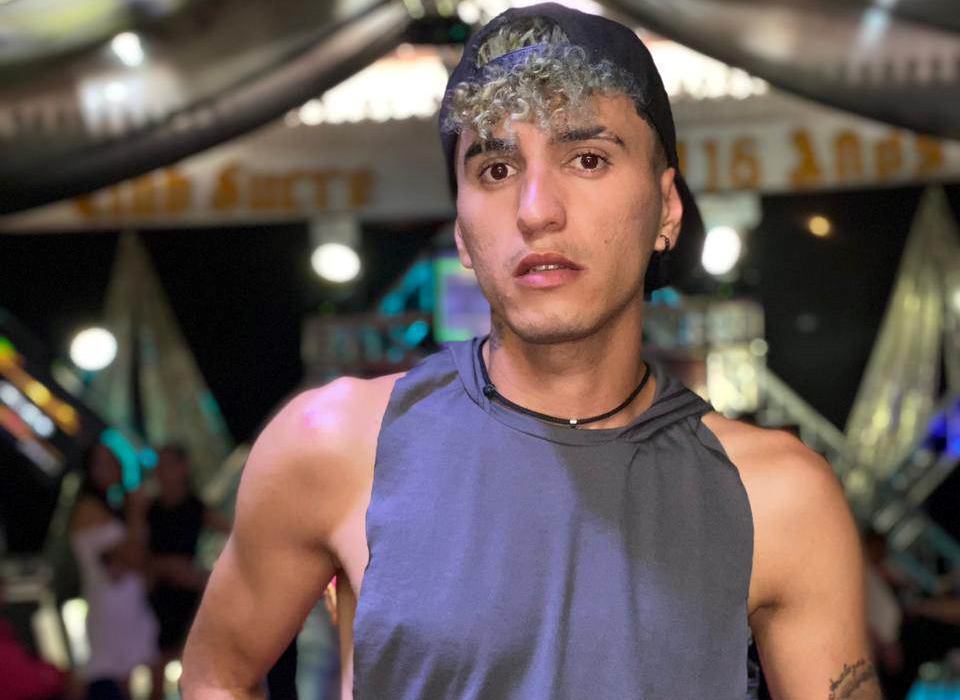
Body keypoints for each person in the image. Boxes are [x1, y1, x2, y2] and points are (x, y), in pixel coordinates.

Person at [182, 5, 879, 698]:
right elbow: (217, 676)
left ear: (666, 208)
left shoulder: (777, 497)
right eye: (495, 169)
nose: (536, 208)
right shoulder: (337, 447)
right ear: (461, 230)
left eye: (587, 158)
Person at [70, 442, 158, 700]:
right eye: (103, 462)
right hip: (112, 611)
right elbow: (134, 556)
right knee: (122, 677)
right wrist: (137, 510)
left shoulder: (110, 507)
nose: (113, 467)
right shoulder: (89, 509)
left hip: (126, 606)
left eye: (114, 460)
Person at [146, 445, 230, 700]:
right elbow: (137, 555)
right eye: (159, 466)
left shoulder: (195, 507)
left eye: (168, 464)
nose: (162, 471)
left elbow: (234, 532)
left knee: (193, 665)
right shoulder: (149, 510)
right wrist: (165, 566)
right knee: (158, 667)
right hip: (156, 596)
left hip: (189, 596)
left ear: (183, 469)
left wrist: (205, 576)